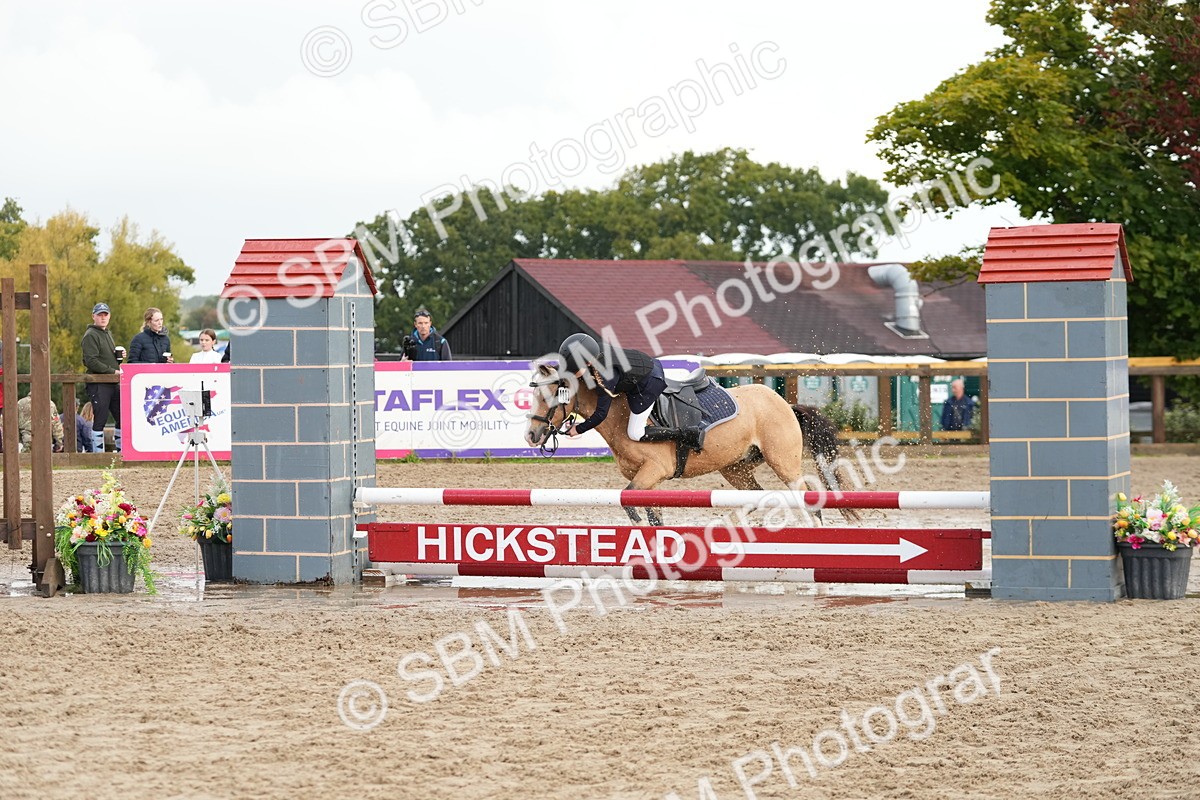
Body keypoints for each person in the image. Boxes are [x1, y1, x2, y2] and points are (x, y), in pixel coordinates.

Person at [557, 333, 702, 451]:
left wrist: (579, 429)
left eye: (574, 370)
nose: (571, 373)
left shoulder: (606, 376)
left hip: (649, 383)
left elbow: (601, 414)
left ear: (588, 363)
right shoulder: (593, 350)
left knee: (635, 433)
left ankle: (684, 434)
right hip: (643, 363)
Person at [82, 302, 122, 452]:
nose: (103, 317)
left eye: (105, 315)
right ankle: (98, 455)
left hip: (112, 383)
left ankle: (120, 452)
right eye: (100, 315)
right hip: (99, 383)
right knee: (100, 418)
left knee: (121, 416)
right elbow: (91, 361)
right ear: (93, 316)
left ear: (109, 316)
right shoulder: (90, 335)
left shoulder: (107, 333)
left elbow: (104, 357)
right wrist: (112, 371)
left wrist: (117, 358)